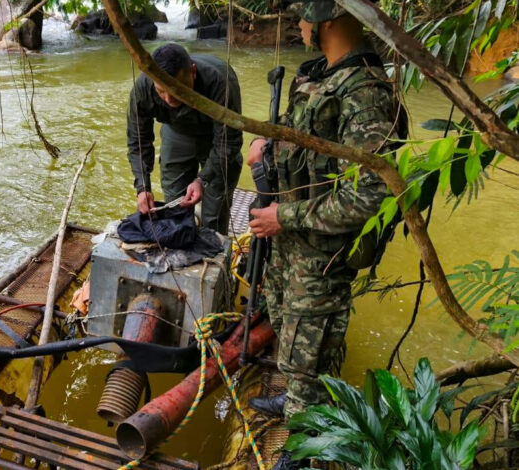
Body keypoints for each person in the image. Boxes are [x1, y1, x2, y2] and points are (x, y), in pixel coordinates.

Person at [246, 1, 407, 468]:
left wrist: (286, 218)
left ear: (326, 21)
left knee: (309, 350)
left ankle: (304, 446)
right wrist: (269, 144)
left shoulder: (366, 92)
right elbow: (310, 145)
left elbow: (370, 196)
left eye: (302, 17)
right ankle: (296, 398)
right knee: (288, 333)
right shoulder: (326, 75)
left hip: (323, 249)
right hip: (293, 239)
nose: (296, 25)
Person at [127, 43, 243, 235]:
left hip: (215, 136)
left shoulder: (220, 82)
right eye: (161, 91)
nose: (169, 100)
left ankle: (214, 252)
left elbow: (229, 141)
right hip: (176, 132)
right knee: (175, 209)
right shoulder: (143, 87)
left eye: (177, 90)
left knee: (214, 215)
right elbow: (138, 140)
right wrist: (142, 187)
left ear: (193, 72)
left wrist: (202, 180)